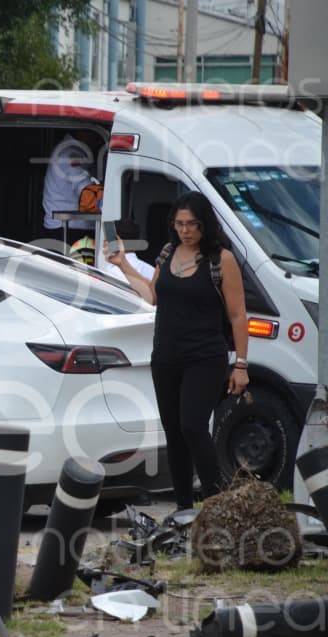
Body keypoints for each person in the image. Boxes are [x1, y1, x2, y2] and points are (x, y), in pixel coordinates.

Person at [105, 191, 248, 511]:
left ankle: (216, 504)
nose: (185, 230)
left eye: (192, 224)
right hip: (166, 357)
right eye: (179, 223)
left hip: (205, 357)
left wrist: (241, 364)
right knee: (174, 433)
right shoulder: (168, 252)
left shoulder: (220, 259)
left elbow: (239, 315)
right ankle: (184, 510)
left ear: (205, 224)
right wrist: (124, 263)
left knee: (193, 426)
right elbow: (152, 296)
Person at [40, 130, 103, 245]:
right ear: (82, 133)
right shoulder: (70, 154)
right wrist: (107, 207)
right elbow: (86, 190)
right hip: (67, 228)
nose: (98, 140)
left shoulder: (74, 151)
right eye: (95, 135)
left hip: (70, 226)